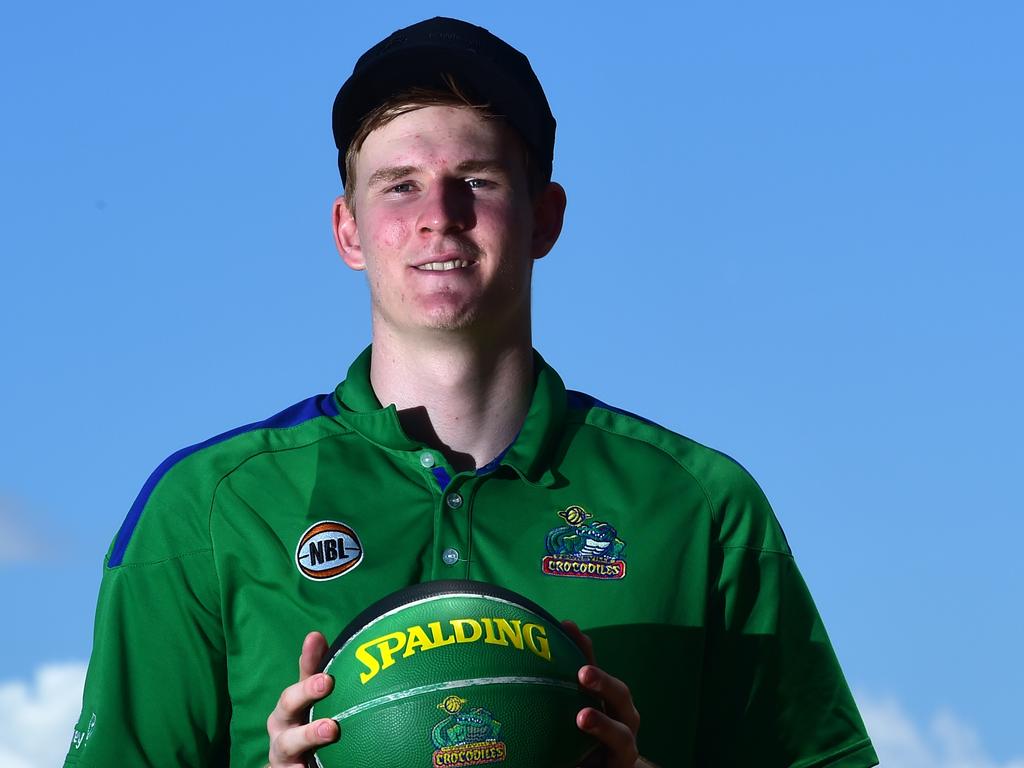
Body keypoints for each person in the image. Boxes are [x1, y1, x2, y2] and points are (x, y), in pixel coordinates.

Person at [65, 17, 878, 768]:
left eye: (479, 181)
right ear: (348, 230)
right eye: (400, 185)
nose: (440, 217)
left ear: (545, 219)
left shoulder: (700, 507)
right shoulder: (209, 507)